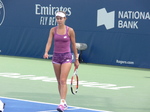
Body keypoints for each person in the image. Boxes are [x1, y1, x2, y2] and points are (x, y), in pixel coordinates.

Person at [43, 11, 79, 112]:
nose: (59, 20)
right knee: (59, 81)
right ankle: (63, 102)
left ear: (65, 19)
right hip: (56, 57)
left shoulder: (70, 30)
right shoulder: (53, 30)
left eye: (61, 18)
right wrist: (46, 52)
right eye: (57, 18)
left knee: (63, 80)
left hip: (67, 57)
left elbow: (73, 45)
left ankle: (62, 103)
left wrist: (76, 59)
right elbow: (49, 42)